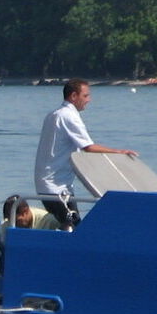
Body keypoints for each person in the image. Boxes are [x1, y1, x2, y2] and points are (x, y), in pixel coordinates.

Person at [34, 78, 136, 227]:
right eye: (86, 96)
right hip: (54, 187)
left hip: (57, 185)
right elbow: (88, 147)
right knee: (72, 227)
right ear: (74, 96)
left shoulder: (54, 114)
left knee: (75, 226)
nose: (89, 100)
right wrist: (118, 152)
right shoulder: (69, 116)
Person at [0, 195, 60, 303]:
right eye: (10, 219)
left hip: (42, 262)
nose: (13, 223)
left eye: (16, 220)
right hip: (17, 259)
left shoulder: (49, 221)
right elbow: (7, 253)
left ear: (25, 212)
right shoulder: (6, 225)